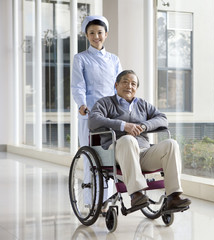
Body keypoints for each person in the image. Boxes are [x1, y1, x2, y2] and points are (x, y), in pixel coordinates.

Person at [88, 70, 191, 210]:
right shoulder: (105, 103)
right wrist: (123, 125)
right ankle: (136, 195)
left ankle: (173, 197)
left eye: (133, 84)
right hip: (117, 151)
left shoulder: (143, 105)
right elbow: (93, 120)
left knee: (171, 144)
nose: (129, 86)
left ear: (136, 88)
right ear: (116, 85)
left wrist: (144, 126)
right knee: (128, 140)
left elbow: (163, 119)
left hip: (142, 152)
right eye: (125, 82)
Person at [71, 15, 122, 206]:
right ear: (86, 35)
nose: (96, 36)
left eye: (99, 32)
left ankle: (107, 200)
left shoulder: (114, 60)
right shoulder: (81, 59)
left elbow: (120, 85)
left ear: (106, 34)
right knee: (90, 158)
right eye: (91, 33)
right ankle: (92, 202)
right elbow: (77, 86)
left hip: (110, 114)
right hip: (89, 113)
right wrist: (82, 105)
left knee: (108, 159)